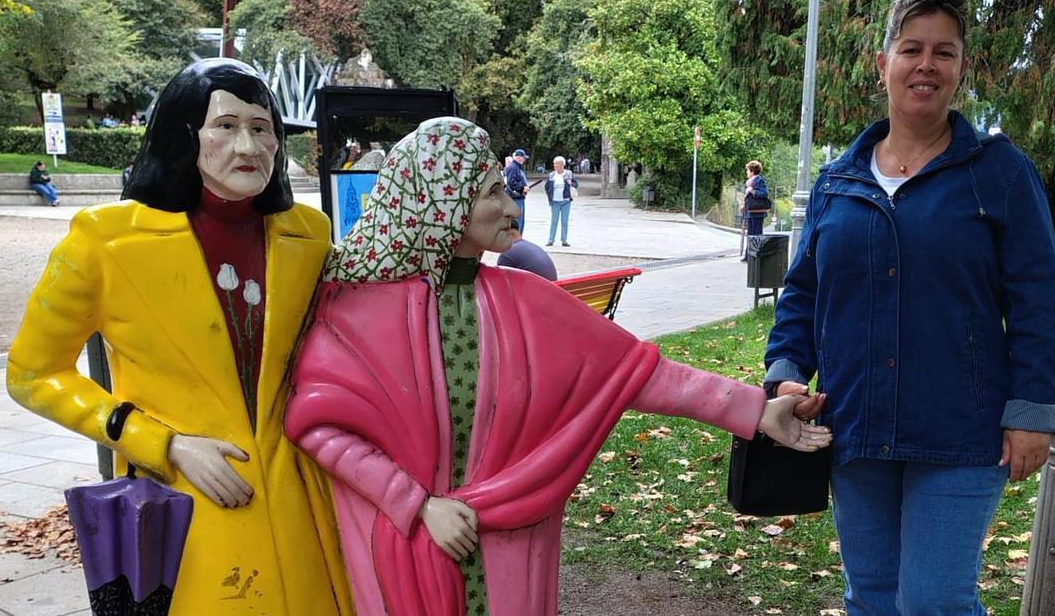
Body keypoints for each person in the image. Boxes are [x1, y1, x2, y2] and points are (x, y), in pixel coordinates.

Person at [285, 117, 830, 616]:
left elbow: (641, 374)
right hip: (400, 546)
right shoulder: (354, 310)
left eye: (505, 188)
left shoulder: (527, 302)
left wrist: (757, 411)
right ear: (441, 204)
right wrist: (416, 505)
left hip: (512, 532)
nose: (514, 208)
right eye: (492, 193)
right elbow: (319, 426)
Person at [7, 59, 353, 616]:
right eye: (227, 125)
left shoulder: (309, 237)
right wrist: (159, 442)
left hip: (302, 504)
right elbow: (32, 373)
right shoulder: (105, 242)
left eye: (262, 128)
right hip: (183, 509)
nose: (249, 145)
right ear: (184, 133)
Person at [764, 0, 1055, 615]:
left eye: (944, 52)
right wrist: (786, 375)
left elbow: (1036, 299)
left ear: (961, 69)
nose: (926, 65)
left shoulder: (1000, 173)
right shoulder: (838, 181)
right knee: (870, 597)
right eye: (911, 49)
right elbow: (802, 294)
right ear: (884, 65)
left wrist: (1033, 409)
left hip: (960, 429)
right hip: (855, 423)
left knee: (933, 600)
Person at [545, 155, 578, 247]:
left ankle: (564, 240)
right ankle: (551, 239)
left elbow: (576, 184)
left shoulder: (568, 173)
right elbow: (547, 186)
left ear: (562, 165)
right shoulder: (551, 174)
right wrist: (550, 196)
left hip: (566, 200)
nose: (555, 166)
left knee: (564, 221)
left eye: (556, 164)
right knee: (554, 221)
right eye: (554, 164)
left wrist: (571, 183)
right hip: (555, 201)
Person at [742, 160, 771, 261]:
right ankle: (749, 256)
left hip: (757, 212)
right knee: (750, 234)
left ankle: (756, 255)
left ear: (752, 171)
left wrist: (752, 191)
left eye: (747, 170)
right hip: (751, 212)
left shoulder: (758, 180)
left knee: (757, 234)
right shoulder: (750, 182)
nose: (746, 172)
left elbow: (764, 193)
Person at [504, 148, 530, 232]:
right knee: (517, 220)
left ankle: (518, 238)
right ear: (519, 157)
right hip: (515, 198)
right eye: (523, 157)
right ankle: (516, 240)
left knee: (521, 221)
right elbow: (511, 182)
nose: (524, 159)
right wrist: (522, 187)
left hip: (519, 197)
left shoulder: (517, 167)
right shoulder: (513, 167)